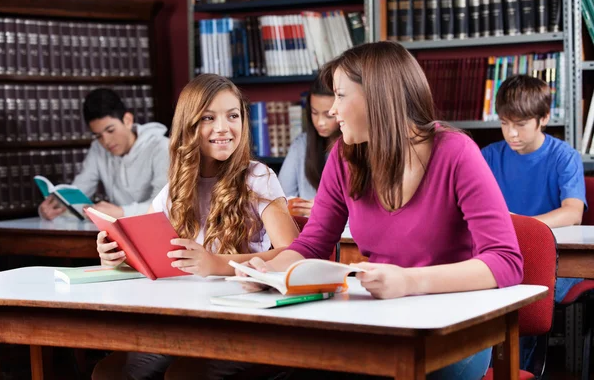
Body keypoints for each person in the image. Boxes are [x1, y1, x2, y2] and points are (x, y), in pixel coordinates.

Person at [237, 41, 524, 380]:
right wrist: (268, 273)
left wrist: (409, 281)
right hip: (378, 323)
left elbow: (506, 261)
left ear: (378, 97)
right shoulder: (344, 158)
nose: (332, 111)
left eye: (341, 96)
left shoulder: (456, 153)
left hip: (454, 332)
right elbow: (311, 246)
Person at [92, 74, 300, 380]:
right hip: (185, 320)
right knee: (108, 373)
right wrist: (117, 256)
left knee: (183, 376)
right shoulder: (175, 187)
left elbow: (294, 255)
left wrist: (217, 264)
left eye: (233, 116)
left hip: (241, 323)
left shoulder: (258, 176)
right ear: (189, 126)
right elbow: (146, 253)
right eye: (208, 117)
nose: (223, 128)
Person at [481, 74, 586, 370]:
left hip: (553, 261)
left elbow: (572, 212)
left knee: (524, 294)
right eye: (504, 123)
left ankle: (518, 372)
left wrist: (520, 225)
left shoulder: (564, 157)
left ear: (544, 118)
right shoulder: (488, 157)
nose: (511, 133)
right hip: (499, 255)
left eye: (521, 124)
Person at [38, 88, 170, 220]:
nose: (106, 142)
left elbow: (165, 206)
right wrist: (54, 209)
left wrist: (122, 212)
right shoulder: (98, 148)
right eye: (98, 135)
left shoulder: (162, 148)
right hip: (117, 231)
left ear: (128, 120)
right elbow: (80, 191)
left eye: (110, 130)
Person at [278, 74, 340, 217]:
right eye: (314, 113)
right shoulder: (301, 145)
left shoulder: (356, 147)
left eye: (328, 115)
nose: (320, 122)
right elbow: (280, 197)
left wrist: (326, 209)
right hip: (307, 228)